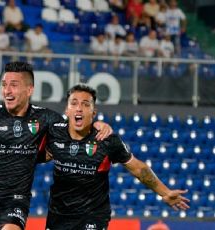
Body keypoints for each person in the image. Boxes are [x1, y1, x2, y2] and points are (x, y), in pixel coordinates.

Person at [0, 62, 112, 230]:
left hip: (16, 199)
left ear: (29, 90)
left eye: (14, 85)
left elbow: (75, 125)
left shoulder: (46, 118)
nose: (7, 91)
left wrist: (97, 124)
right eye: (4, 85)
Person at [45, 84, 190, 230]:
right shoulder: (54, 133)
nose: (79, 108)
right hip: (58, 216)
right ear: (67, 109)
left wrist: (165, 192)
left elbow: (138, 169)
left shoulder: (107, 140)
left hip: (92, 216)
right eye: (74, 103)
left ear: (93, 112)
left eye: (85, 104)